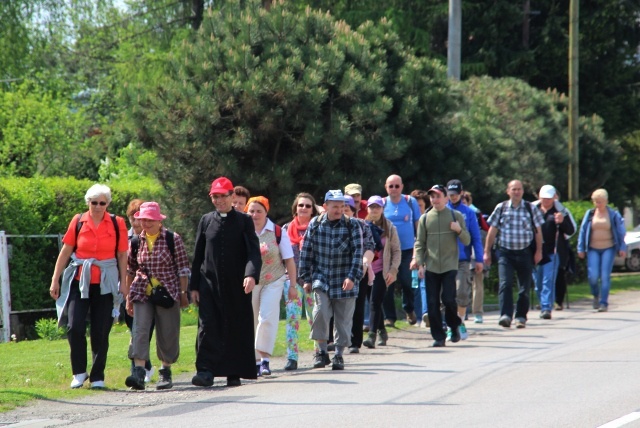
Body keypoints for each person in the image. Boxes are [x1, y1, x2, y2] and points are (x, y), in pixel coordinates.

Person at [50, 184, 128, 389]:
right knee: (74, 327)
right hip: (79, 279)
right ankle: (79, 372)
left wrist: (124, 283)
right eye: (94, 202)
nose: (98, 206)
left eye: (102, 203)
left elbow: (121, 255)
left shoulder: (116, 222)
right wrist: (55, 279)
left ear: (108, 204)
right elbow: (66, 251)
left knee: (101, 330)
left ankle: (97, 376)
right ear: (88, 202)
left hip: (105, 282)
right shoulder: (78, 221)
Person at [190, 177, 262, 387]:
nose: (220, 200)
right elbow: (198, 255)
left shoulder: (244, 221)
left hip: (236, 285)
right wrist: (194, 286)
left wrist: (250, 274)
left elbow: (253, 253)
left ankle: (234, 371)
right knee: (207, 326)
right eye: (215, 196)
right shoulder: (206, 220)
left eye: (223, 196)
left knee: (235, 324)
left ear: (232, 196)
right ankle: (205, 370)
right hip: (209, 283)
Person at [124, 202, 191, 390]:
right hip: (141, 291)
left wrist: (183, 293)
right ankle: (138, 372)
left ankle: (165, 371)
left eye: (150, 220)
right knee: (140, 329)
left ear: (159, 221)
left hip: (168, 291)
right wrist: (128, 296)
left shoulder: (172, 239)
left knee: (167, 332)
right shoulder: (136, 241)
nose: (146, 223)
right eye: (143, 219)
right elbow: (130, 270)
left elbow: (183, 268)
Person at [299, 189, 363, 371]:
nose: (339, 210)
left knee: (343, 320)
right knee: (320, 313)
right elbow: (306, 252)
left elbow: (358, 254)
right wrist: (306, 278)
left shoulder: (352, 225)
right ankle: (321, 352)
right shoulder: (316, 224)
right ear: (326, 206)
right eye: (335, 206)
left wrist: (352, 277)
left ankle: (339, 355)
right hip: (322, 277)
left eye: (342, 206)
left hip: (345, 278)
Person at [245, 196, 297, 376]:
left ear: (266, 212)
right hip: (250, 282)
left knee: (267, 318)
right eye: (251, 211)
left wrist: (292, 286)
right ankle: (254, 361)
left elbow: (289, 260)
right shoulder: (243, 231)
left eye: (259, 211)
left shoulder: (277, 231)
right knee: (250, 321)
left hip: (274, 279)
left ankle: (265, 359)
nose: (254, 214)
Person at [414, 184, 470, 347]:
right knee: (432, 303)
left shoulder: (455, 215)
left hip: (450, 265)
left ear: (446, 198)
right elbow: (419, 243)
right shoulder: (425, 218)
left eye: (438, 196)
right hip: (431, 266)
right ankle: (438, 336)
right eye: (432, 196)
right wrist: (420, 263)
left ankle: (454, 326)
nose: (435, 199)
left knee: (448, 299)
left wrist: (459, 230)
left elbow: (467, 240)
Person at [484, 180, 544, 329]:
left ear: (523, 191)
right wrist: (487, 252)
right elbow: (492, 231)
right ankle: (505, 315)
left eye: (519, 189)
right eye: (513, 189)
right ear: (508, 191)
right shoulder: (501, 208)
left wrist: (538, 251)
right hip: (505, 253)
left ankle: (521, 316)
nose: (516, 192)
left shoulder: (531, 208)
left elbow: (538, 232)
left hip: (525, 253)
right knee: (505, 284)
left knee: (524, 287)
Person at [281, 193, 320, 371]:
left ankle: (319, 353)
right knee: (292, 320)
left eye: (307, 206)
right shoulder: (285, 229)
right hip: (292, 281)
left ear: (313, 210)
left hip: (313, 280)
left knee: (315, 318)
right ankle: (292, 357)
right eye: (300, 205)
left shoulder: (318, 227)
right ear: (295, 208)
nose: (303, 208)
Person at [577, 188, 627, 312]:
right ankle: (595, 295)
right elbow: (583, 232)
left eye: (600, 201)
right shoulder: (590, 214)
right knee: (593, 276)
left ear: (606, 201)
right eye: (596, 202)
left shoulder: (613, 214)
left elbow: (621, 232)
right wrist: (580, 248)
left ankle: (604, 302)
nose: (598, 204)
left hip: (608, 248)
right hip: (593, 248)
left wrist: (622, 247)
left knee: (605, 276)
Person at [446, 180, 483, 341]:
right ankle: (450, 326)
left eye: (455, 193)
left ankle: (460, 321)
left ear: (461, 193)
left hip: (462, 259)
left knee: (461, 292)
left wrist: (479, 259)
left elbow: (476, 237)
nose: (453, 196)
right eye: (450, 193)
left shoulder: (468, 213)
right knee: (446, 296)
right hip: (445, 259)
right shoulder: (441, 210)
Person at [382, 174, 421, 327]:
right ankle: (390, 317)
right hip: (388, 251)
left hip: (407, 250)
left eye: (397, 186)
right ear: (386, 187)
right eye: (391, 186)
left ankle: (409, 309)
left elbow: (418, 225)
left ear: (402, 187)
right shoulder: (383, 203)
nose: (394, 189)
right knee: (387, 283)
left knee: (407, 282)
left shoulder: (410, 202)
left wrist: (418, 248)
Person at [362, 196, 401, 348]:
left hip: (382, 272)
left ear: (383, 209)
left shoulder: (390, 227)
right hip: (366, 270)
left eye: (378, 207)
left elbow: (396, 251)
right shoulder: (362, 226)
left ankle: (372, 335)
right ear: (367, 209)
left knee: (374, 301)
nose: (375, 210)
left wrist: (393, 270)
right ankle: (383, 331)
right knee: (373, 303)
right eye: (372, 207)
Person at [531, 185, 575, 320]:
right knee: (537, 283)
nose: (546, 200)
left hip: (553, 251)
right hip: (535, 252)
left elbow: (570, 230)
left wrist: (562, 222)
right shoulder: (533, 210)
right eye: (544, 198)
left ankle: (546, 308)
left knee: (548, 281)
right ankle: (543, 302)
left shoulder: (560, 211)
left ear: (554, 197)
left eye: (549, 198)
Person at [123, 199, 155, 383]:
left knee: (141, 330)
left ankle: (137, 370)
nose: (135, 223)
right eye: (132, 218)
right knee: (134, 330)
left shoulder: (153, 238)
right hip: (128, 292)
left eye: (138, 218)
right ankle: (145, 365)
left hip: (146, 293)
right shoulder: (124, 239)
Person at [344, 195, 376, 352]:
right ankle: (334, 339)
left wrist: (364, 264)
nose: (342, 211)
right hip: (337, 271)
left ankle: (355, 342)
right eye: (339, 208)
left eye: (346, 209)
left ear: (353, 210)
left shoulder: (363, 225)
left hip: (358, 270)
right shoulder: (330, 226)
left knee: (357, 306)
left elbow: (370, 247)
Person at [461, 191, 489, 323]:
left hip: (474, 251)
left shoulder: (475, 213)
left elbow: (486, 230)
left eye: (464, 201)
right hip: (459, 253)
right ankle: (463, 311)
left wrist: (481, 256)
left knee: (477, 282)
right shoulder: (449, 212)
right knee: (461, 284)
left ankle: (477, 312)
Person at [410, 189, 429, 327]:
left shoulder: (428, 219)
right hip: (408, 256)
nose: (416, 209)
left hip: (424, 258)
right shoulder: (408, 220)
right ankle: (415, 315)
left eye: (420, 206)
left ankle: (424, 315)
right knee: (413, 286)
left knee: (422, 285)